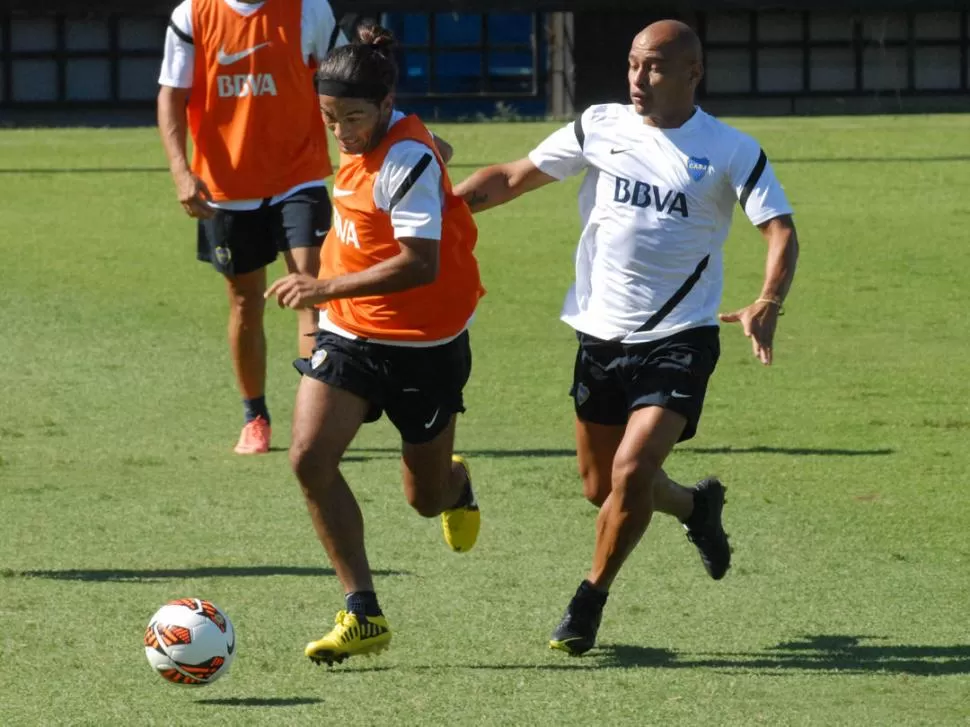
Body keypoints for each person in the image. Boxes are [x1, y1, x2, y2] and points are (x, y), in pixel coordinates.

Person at [453, 19, 799, 655]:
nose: (639, 79)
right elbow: (511, 176)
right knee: (603, 486)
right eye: (634, 64)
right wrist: (442, 208)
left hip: (681, 333)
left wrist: (767, 300)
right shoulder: (600, 125)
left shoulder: (729, 149)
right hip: (600, 334)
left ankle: (588, 601)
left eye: (656, 68)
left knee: (633, 470)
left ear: (693, 74)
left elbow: (779, 230)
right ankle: (696, 507)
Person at [264, 23, 484, 666]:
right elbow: (434, 141)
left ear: (386, 107)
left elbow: (420, 263)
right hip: (353, 330)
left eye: (353, 118)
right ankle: (362, 612)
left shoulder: (405, 157)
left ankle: (457, 483)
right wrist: (334, 298)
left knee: (424, 499)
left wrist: (322, 283)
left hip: (424, 343)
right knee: (308, 458)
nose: (341, 132)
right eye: (330, 117)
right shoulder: (381, 131)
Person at [157, 0, 347, 454]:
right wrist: (181, 172)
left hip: (298, 176)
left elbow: (343, 77)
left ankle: (312, 419)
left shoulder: (308, 9)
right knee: (245, 301)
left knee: (311, 289)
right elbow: (172, 94)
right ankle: (255, 416)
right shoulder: (193, 15)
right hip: (225, 186)